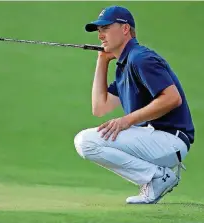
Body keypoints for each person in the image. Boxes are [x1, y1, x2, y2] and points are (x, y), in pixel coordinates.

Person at [74, 5, 195, 204]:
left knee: (86, 141)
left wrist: (127, 120)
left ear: (125, 29)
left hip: (169, 140)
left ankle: (157, 177)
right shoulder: (126, 65)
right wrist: (102, 61)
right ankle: (156, 176)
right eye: (99, 30)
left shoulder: (141, 59)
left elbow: (172, 98)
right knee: (86, 142)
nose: (100, 35)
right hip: (157, 141)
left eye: (105, 28)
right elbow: (100, 108)